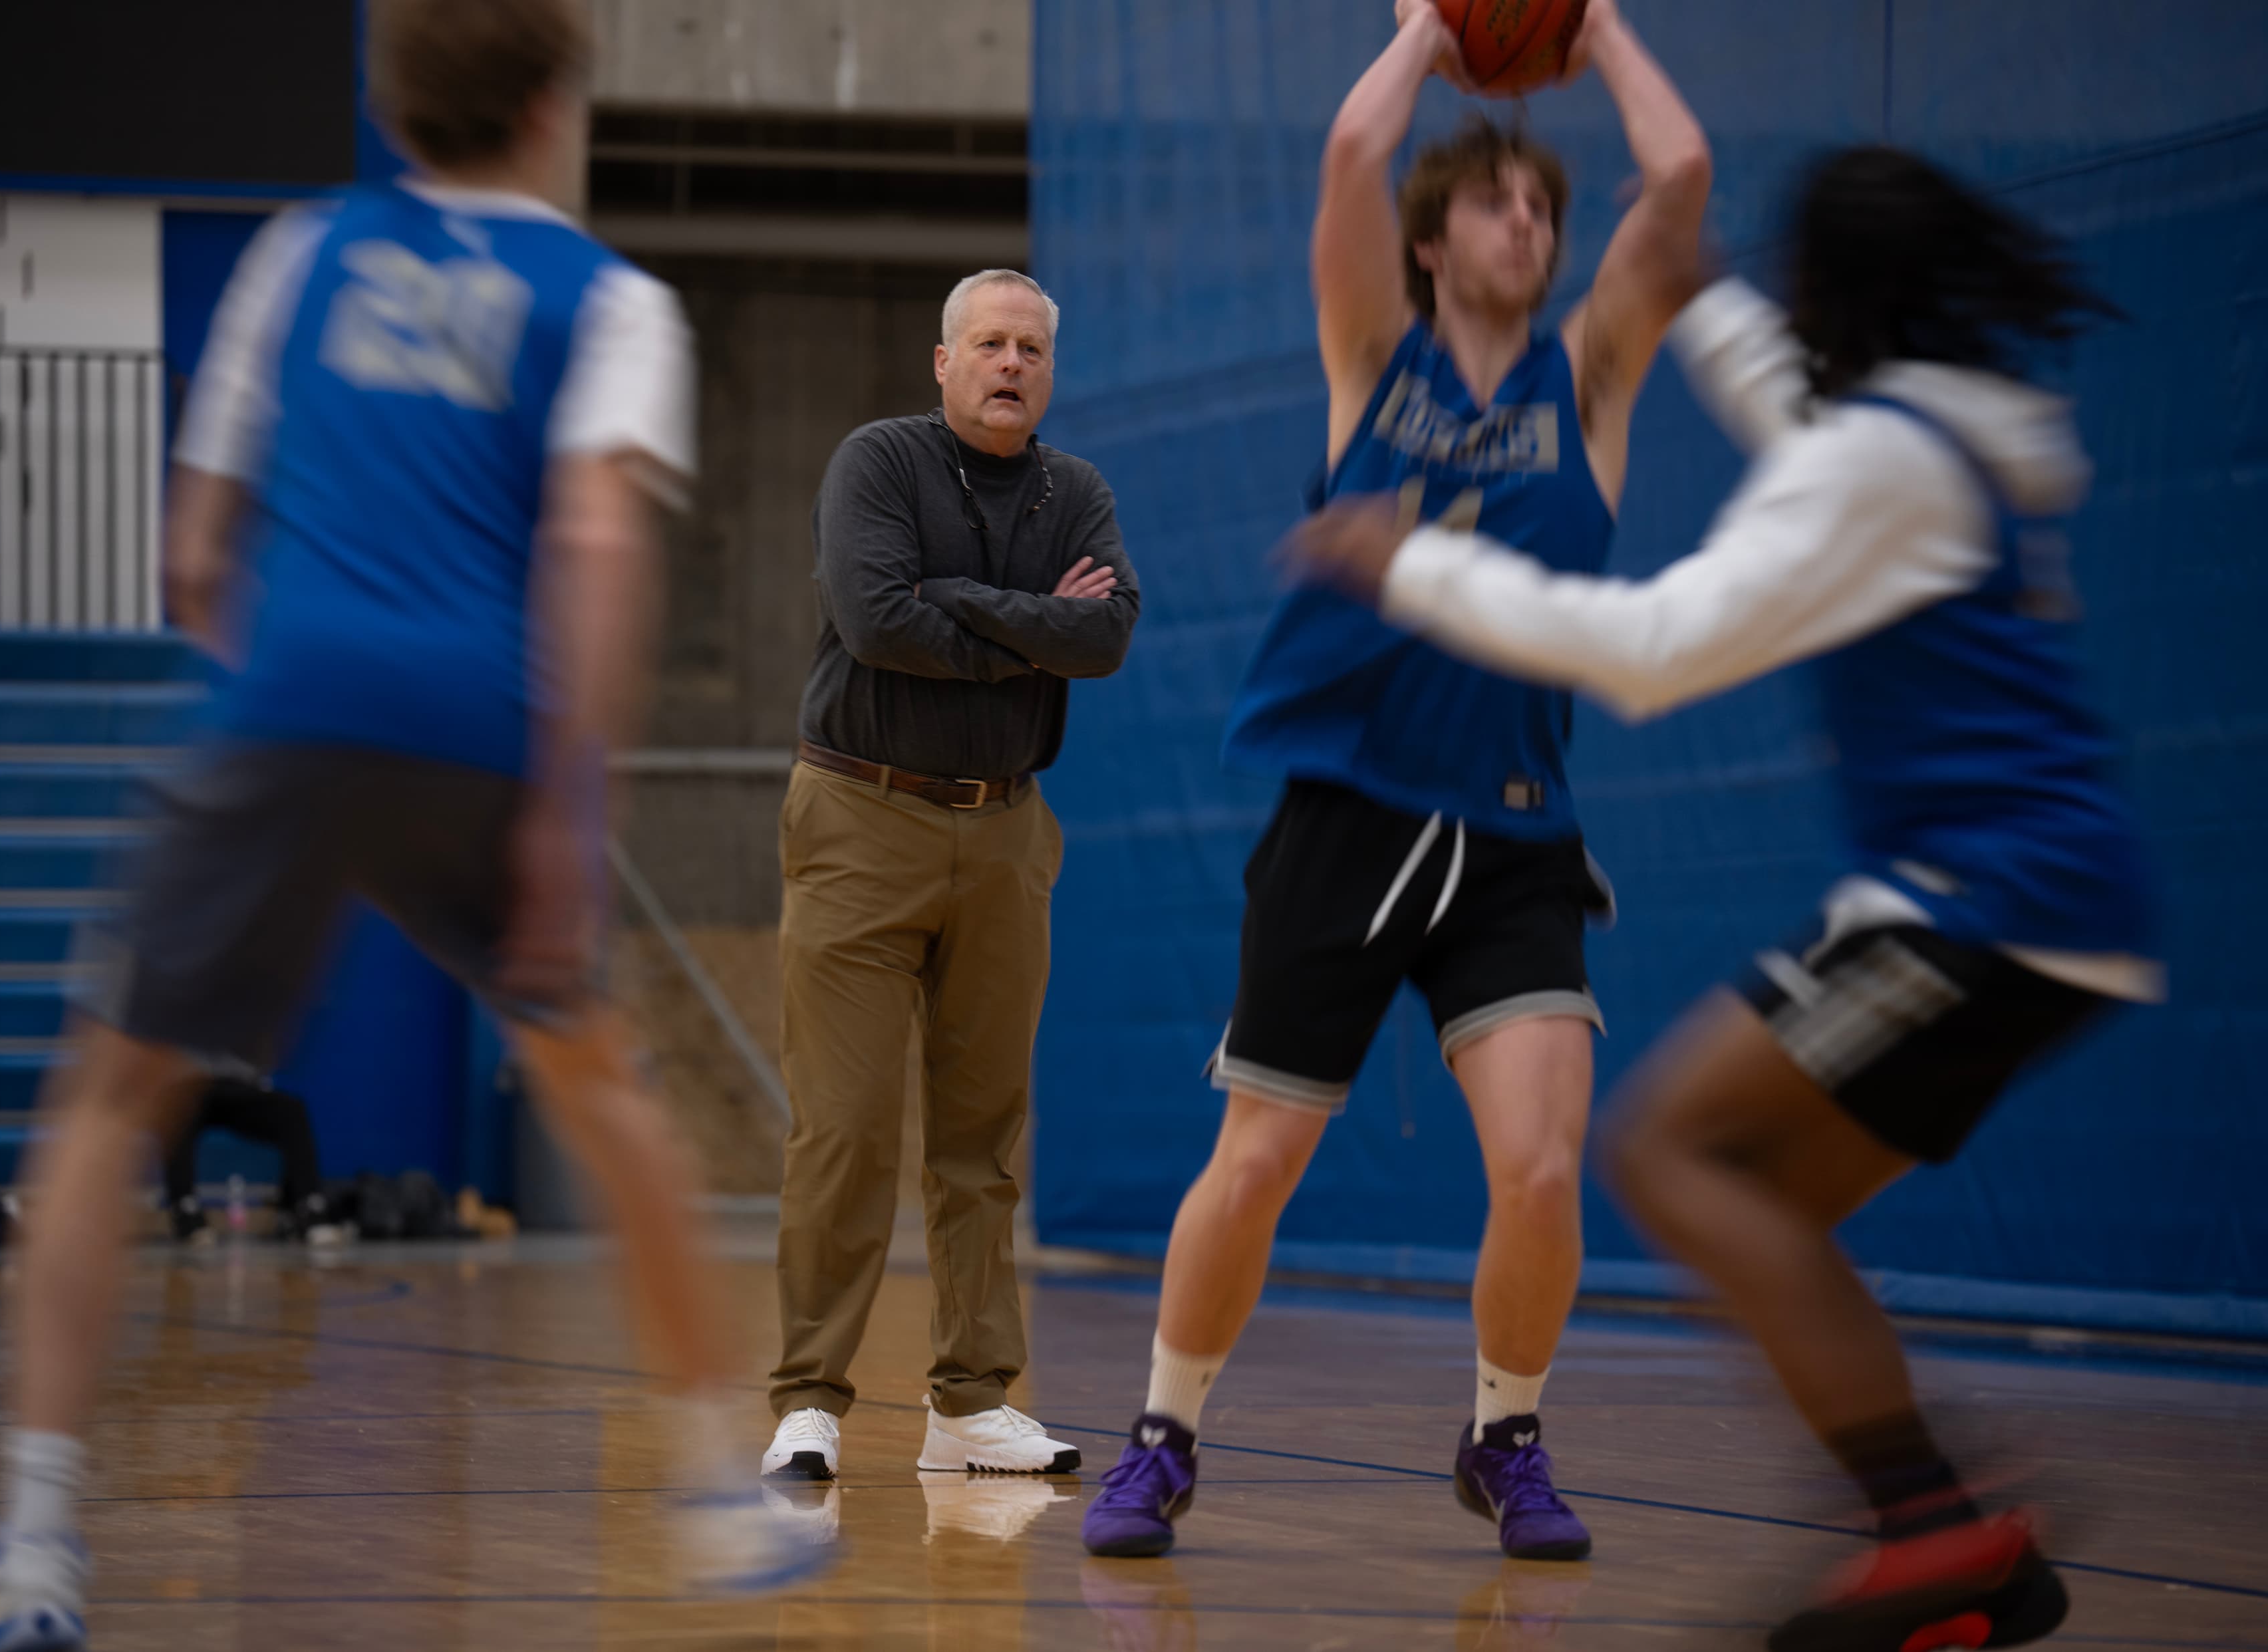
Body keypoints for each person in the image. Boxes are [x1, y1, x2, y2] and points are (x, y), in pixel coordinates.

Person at [0, 2, 823, 1645]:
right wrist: (566, 809)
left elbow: (193, 551)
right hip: (478, 725)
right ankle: (717, 1488)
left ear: (390, 99)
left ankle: (32, 1544)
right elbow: (595, 544)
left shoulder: (301, 253)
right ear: (557, 101)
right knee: (602, 1083)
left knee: (110, 1097)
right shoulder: (611, 301)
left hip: (288, 702)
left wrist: (293, 706)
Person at [1281, 145, 2152, 1651]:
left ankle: (1936, 1516)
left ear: (1833, 285)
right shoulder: (1947, 425)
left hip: (1985, 902)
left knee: (1670, 1148)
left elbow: (1652, 648)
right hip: (2061, 905)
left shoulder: (1875, 461)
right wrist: (1700, 301)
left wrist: (1415, 565)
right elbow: (1810, 433)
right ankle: (1947, 1537)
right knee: (1760, 1205)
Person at [1083, 0, 1709, 1562]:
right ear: (1432, 243)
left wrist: (1597, 27)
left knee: (1543, 1164)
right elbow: (1353, 153)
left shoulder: (1589, 382)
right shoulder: (1374, 362)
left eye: (1542, 207)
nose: (1526, 221)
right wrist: (1434, 29)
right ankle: (1163, 1435)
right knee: (1258, 1159)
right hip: (1349, 813)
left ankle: (1507, 1435)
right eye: (1495, 201)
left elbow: (1684, 178)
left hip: (1514, 829)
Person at [762, 268, 1138, 1485]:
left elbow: (1106, 635)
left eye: (1031, 347)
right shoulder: (878, 462)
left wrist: (968, 609)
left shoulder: (1075, 491)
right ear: (944, 361)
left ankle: (972, 1402)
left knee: (982, 1138)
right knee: (846, 1128)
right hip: (860, 817)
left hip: (1008, 829)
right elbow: (876, 619)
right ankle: (809, 1399)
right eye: (989, 343)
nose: (1010, 363)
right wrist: (1030, 624)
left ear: (1049, 369)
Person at [160, 1075, 342, 1245]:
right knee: (179, 1104)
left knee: (292, 1109)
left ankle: (308, 1209)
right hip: (190, 1081)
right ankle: (185, 1209)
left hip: (240, 1085)